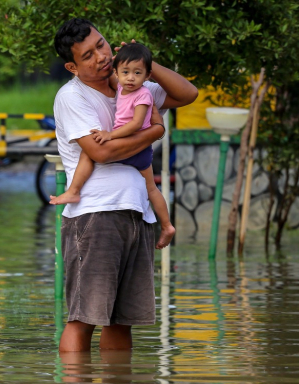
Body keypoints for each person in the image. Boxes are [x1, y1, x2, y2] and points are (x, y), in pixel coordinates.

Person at [52, 18, 197, 352]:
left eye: (102, 45)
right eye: (88, 55)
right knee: (84, 317)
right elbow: (100, 152)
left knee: (121, 321)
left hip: (137, 211)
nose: (101, 56)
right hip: (95, 214)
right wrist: (155, 132)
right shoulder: (72, 97)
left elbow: (188, 93)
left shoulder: (131, 84)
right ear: (72, 66)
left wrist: (147, 63)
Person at [50, 42, 175, 250]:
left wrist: (110, 135)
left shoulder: (143, 93)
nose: (131, 78)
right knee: (150, 187)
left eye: (137, 72)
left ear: (147, 75)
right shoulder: (118, 87)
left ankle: (73, 190)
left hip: (132, 144)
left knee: (90, 154)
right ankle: (167, 225)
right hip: (130, 155)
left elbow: (135, 124)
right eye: (125, 72)